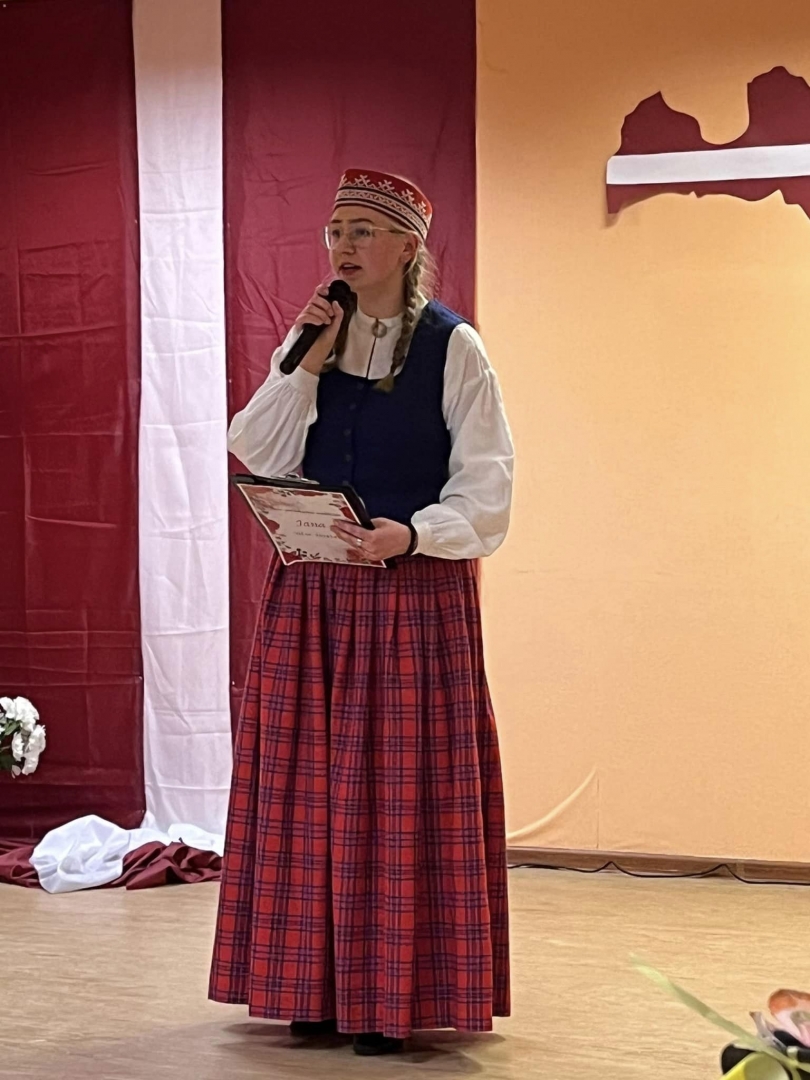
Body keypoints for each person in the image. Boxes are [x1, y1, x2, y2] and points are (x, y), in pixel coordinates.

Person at [209, 168, 514, 1056]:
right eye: (335, 230)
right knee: (304, 791)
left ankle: (393, 997)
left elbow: (488, 489)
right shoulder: (314, 337)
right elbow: (256, 446)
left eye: (362, 231)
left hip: (410, 592)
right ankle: (309, 985)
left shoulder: (454, 347)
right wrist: (306, 359)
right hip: (313, 592)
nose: (342, 245)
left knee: (398, 798)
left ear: (408, 247)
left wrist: (412, 534)